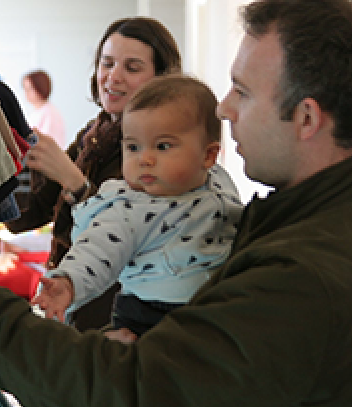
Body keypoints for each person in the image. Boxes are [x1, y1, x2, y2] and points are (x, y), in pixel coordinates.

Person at [0, 0, 352, 405]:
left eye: (242, 92)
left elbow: (133, 389)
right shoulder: (344, 201)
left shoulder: (303, 271)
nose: (225, 108)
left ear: (307, 119)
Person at [32, 75, 243, 342]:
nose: (144, 159)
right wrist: (68, 283)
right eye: (133, 147)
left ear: (209, 156)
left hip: (214, 308)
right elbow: (97, 251)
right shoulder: (129, 207)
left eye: (162, 146)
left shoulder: (219, 182)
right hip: (151, 315)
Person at [6, 17, 182, 332]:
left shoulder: (165, 148)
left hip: (121, 321)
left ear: (161, 79)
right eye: (107, 63)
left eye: (132, 68)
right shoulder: (95, 135)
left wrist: (75, 183)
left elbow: (135, 238)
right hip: (79, 310)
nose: (113, 76)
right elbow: (24, 215)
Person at [22, 69, 68, 148]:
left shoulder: (50, 113)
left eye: (29, 89)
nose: (26, 93)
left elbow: (45, 144)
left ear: (39, 87)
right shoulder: (36, 112)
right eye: (25, 89)